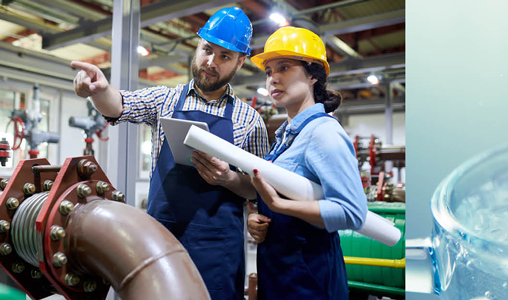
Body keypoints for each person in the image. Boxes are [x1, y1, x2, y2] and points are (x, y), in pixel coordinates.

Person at [70, 7, 266, 299]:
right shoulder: (165, 100)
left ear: (240, 61)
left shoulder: (249, 120)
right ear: (197, 46)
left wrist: (227, 179)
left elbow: (260, 189)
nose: (211, 62)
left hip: (219, 252)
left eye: (224, 56)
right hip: (159, 242)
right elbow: (120, 105)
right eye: (207, 50)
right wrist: (100, 90)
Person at [237, 26, 367, 299]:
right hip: (280, 274)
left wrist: (278, 205)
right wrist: (260, 220)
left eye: (284, 67)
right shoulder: (287, 136)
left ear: (312, 75)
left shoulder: (323, 133)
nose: (273, 79)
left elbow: (353, 212)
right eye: (269, 71)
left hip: (311, 279)